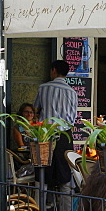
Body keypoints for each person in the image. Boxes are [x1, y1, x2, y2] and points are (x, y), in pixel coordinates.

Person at [34, 60, 78, 189]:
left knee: (43, 169)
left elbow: (36, 109)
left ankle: (40, 205)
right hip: (65, 135)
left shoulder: (43, 88)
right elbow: (74, 116)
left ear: (53, 70)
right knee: (64, 170)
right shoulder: (73, 92)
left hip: (46, 135)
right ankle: (65, 208)